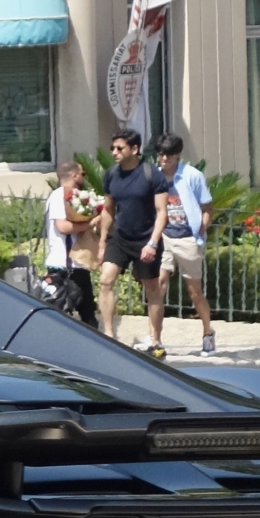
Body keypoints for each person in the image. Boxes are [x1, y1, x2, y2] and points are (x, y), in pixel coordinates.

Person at [96, 128, 171, 355]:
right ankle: (109, 334)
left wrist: (153, 243)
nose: (115, 152)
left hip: (146, 239)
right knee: (106, 280)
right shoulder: (111, 175)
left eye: (120, 148)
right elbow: (108, 209)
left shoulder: (151, 175)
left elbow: (162, 212)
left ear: (135, 149)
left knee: (152, 289)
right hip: (120, 237)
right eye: (113, 148)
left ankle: (155, 339)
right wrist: (102, 242)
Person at [153, 134, 216, 355]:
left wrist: (200, 231)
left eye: (167, 154)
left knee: (194, 292)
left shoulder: (192, 176)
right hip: (164, 237)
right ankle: (156, 339)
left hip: (187, 238)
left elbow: (207, 208)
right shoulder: (155, 176)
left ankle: (208, 332)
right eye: (160, 154)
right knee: (158, 286)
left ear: (177, 155)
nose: (163, 158)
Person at [42, 157, 101, 327]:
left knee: (87, 316)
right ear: (75, 175)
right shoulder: (60, 196)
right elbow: (63, 226)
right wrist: (89, 223)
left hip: (76, 265)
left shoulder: (72, 197)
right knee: (67, 318)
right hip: (65, 267)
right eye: (83, 173)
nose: (84, 176)